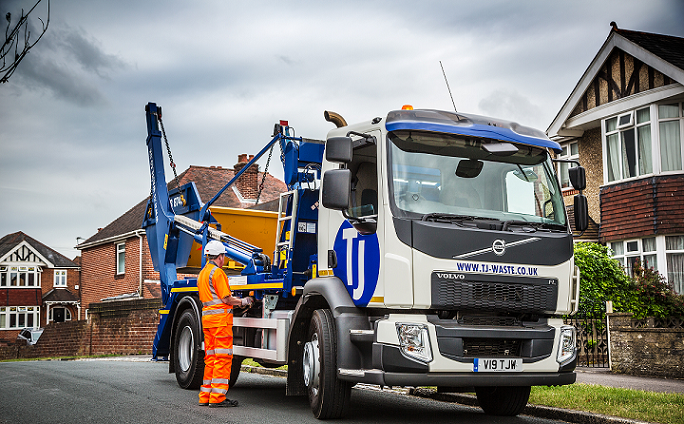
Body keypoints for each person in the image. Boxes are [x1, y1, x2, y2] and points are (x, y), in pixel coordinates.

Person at [198, 240, 253, 407]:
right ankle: (217, 399)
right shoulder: (218, 273)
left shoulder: (202, 273)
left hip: (208, 322)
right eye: (223, 256)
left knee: (211, 359)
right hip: (220, 322)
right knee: (222, 359)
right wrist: (243, 301)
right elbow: (226, 298)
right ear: (220, 257)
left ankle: (205, 397)